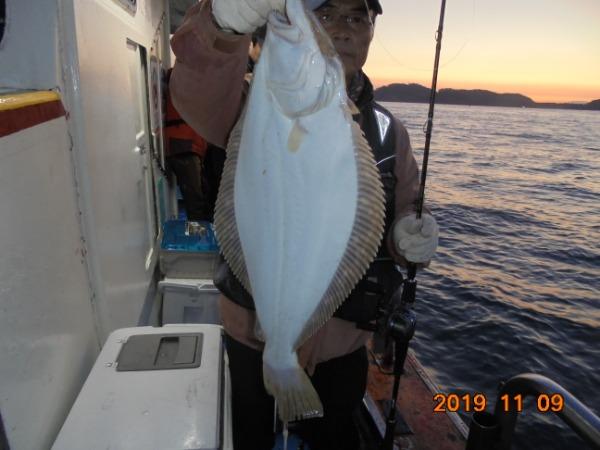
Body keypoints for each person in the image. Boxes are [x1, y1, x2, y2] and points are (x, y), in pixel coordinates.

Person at [170, 1, 440, 449]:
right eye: (326, 15)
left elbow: (405, 209)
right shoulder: (247, 103)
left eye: (357, 18)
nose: (343, 30)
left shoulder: (389, 131)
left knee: (334, 437)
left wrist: (409, 237)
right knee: (250, 436)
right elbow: (197, 89)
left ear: (371, 32)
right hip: (252, 335)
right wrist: (221, 25)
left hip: (342, 345)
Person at [164, 68, 212, 221]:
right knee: (196, 204)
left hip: (191, 147)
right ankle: (195, 235)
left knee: (202, 199)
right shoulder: (182, 77)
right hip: (183, 147)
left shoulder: (195, 79)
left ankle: (200, 232)